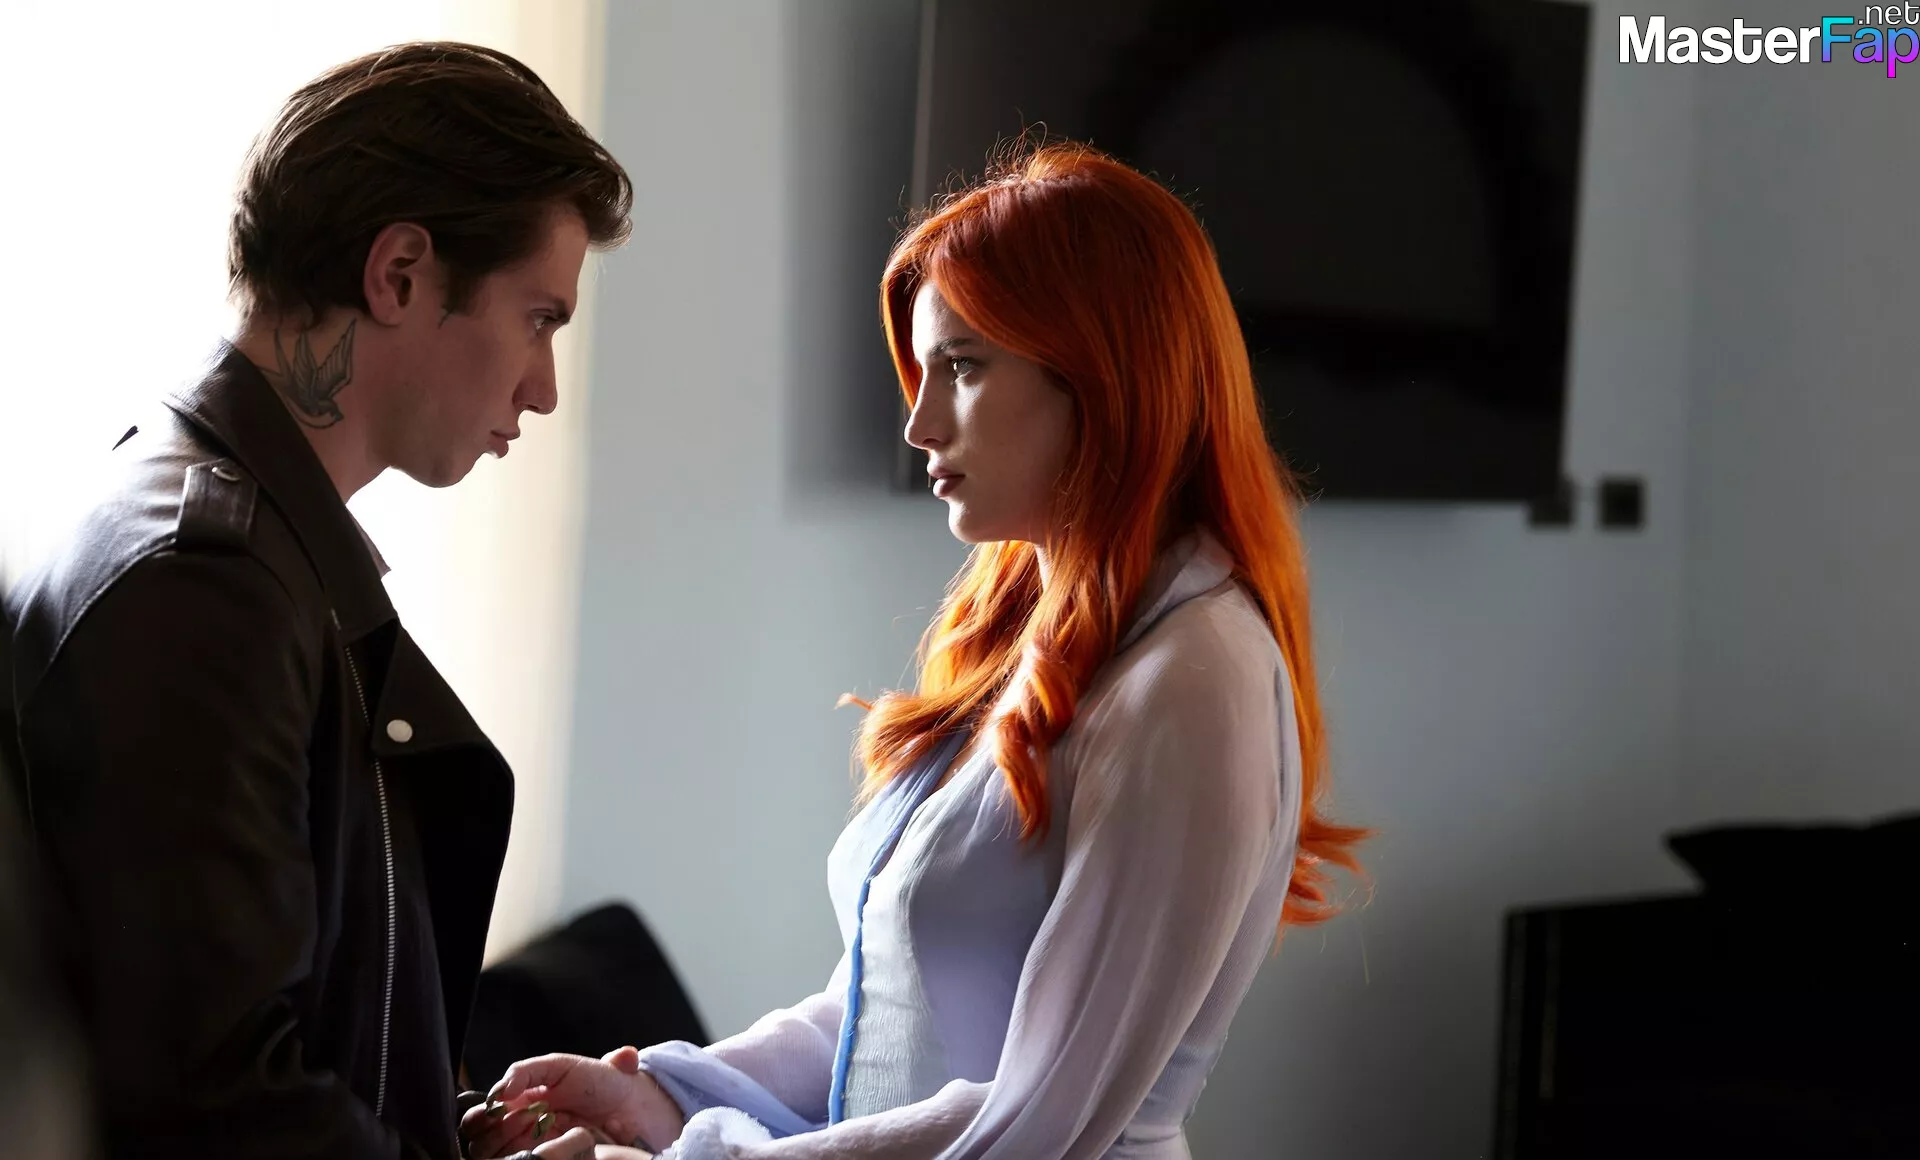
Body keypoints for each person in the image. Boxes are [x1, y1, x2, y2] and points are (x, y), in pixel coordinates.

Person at [464, 141, 1367, 1160]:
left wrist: (695, 1155)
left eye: (963, 368)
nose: (920, 423)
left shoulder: (1195, 678)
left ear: (1103, 373)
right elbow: (879, 1014)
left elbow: (1040, 1114)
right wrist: (662, 1094)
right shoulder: (1042, 636)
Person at [4, 42, 630, 1160]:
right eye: (541, 318)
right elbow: (217, 1102)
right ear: (401, 273)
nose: (542, 388)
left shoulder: (214, 535)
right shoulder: (205, 585)